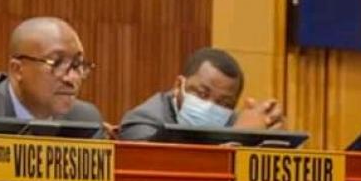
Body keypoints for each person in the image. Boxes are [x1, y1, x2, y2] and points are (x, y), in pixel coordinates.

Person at [0, 17, 102, 123]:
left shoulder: (85, 120)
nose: (72, 78)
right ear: (17, 70)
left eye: (77, 64)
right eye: (56, 63)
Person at [119, 47, 285, 141]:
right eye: (202, 94)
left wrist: (266, 135)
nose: (210, 106)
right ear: (178, 86)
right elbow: (169, 170)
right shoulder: (142, 121)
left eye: (224, 103)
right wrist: (238, 137)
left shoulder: (232, 120)